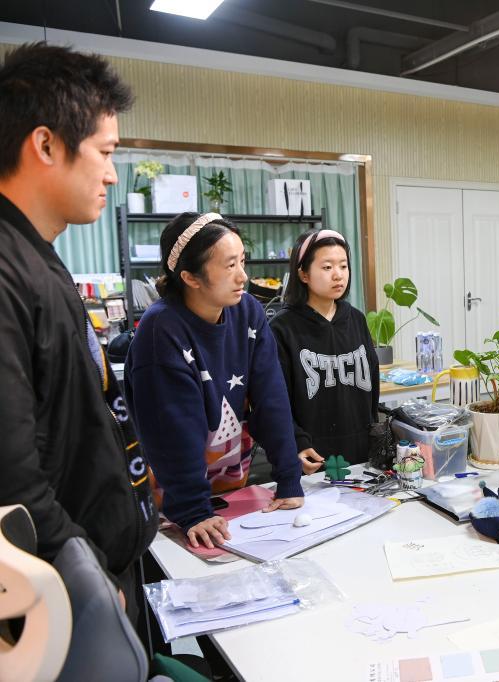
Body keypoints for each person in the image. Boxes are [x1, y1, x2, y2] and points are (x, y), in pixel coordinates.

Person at [0, 43, 157, 618]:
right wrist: (80, 569)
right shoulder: (8, 271)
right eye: (105, 152)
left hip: (99, 563)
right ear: (45, 144)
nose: (112, 173)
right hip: (65, 590)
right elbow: (12, 478)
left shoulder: (38, 256)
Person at [125, 212, 304, 550]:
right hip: (171, 492)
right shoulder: (160, 329)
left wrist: (289, 478)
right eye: (229, 265)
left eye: (242, 261)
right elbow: (171, 431)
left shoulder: (248, 311)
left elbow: (271, 397)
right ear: (190, 277)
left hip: (230, 482)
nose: (243, 276)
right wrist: (193, 511)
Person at [270, 229, 379, 470]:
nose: (338, 275)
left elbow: (372, 386)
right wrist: (297, 443)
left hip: (361, 453)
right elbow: (275, 399)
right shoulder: (282, 328)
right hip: (312, 456)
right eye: (327, 267)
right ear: (303, 274)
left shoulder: (356, 319)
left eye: (343, 266)